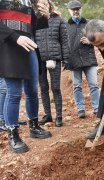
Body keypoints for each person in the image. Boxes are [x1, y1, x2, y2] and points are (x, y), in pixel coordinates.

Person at [0, 0, 52, 153]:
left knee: (32, 90)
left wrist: (44, 16)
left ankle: (34, 126)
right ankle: (13, 134)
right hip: (9, 46)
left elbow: (33, 25)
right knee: (14, 92)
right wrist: (15, 37)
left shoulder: (27, 1)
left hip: (29, 45)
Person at [35, 1, 70, 127]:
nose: (43, 6)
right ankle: (47, 115)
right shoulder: (35, 20)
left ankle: (59, 116)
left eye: (45, 3)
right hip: (39, 58)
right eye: (40, 4)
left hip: (55, 58)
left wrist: (66, 58)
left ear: (49, 5)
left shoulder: (59, 20)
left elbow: (65, 41)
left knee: (55, 88)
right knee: (43, 88)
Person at [64, 0, 99, 119]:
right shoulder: (65, 26)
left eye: (77, 9)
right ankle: (80, 109)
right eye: (73, 9)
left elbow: (99, 39)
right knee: (77, 86)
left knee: (94, 85)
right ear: (69, 11)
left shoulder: (89, 24)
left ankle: (96, 108)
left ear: (81, 9)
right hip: (73, 61)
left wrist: (91, 41)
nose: (76, 11)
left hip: (89, 58)